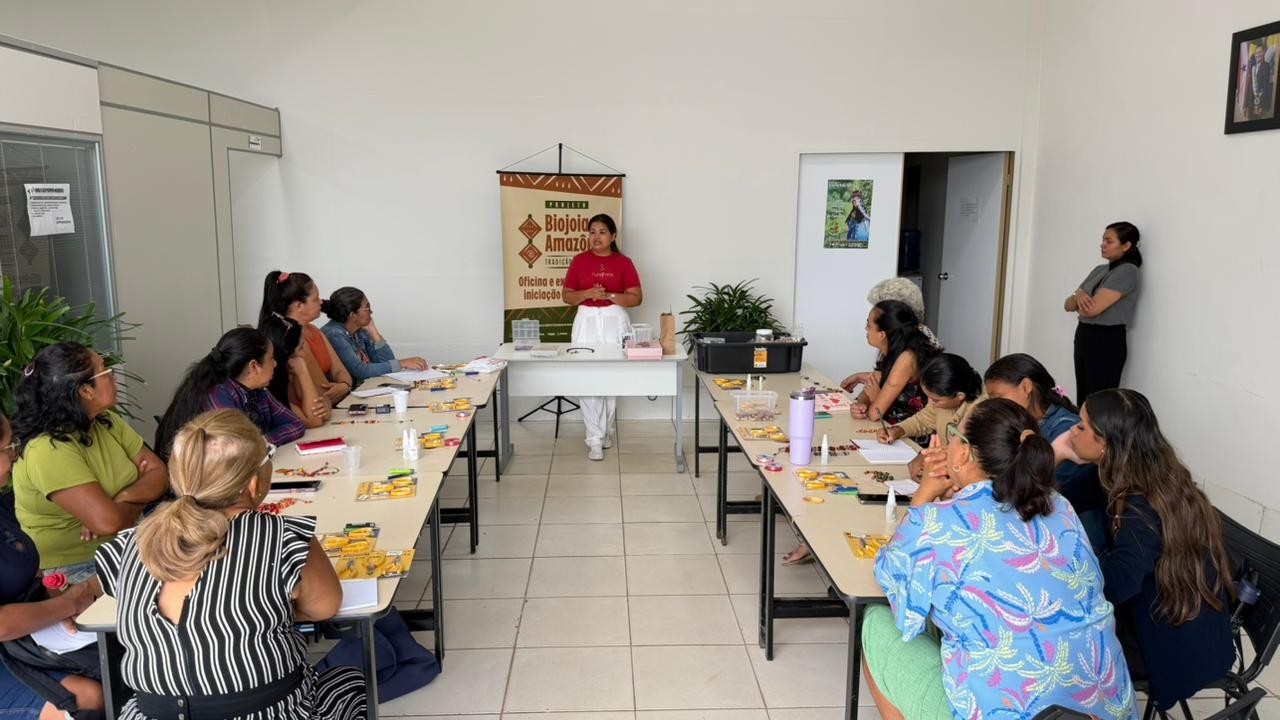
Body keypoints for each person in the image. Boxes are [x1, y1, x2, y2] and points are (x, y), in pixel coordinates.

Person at [863, 398, 1134, 720]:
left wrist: (924, 496)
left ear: (963, 453)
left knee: (876, 623)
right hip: (1103, 710)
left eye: (954, 435)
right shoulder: (1059, 506)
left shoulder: (935, 522)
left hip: (1005, 713)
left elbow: (889, 572)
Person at [94, 409, 366, 719]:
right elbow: (324, 607)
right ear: (252, 483)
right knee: (349, 683)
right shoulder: (282, 537)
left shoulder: (130, 544)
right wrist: (262, 611)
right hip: (267, 713)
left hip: (151, 714)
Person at [1054, 389, 1234, 711]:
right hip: (1174, 619)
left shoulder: (1142, 506)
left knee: (1058, 643)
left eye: (1081, 426)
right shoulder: (1136, 472)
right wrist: (1058, 455)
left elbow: (1117, 584)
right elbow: (1058, 503)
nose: (1072, 432)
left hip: (1171, 647)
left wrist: (1064, 579)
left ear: (1105, 443)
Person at [10, 342, 169, 582]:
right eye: (105, 370)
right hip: (79, 568)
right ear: (86, 391)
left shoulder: (106, 421)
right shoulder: (46, 449)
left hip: (130, 543)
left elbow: (160, 473)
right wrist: (141, 492)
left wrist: (122, 499)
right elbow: (108, 522)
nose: (114, 376)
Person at [0, 412, 105, 720]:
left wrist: (57, 594)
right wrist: (68, 604)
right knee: (89, 697)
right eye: (9, 448)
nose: (15, 456)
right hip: (10, 645)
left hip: (24, 638)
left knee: (117, 658)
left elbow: (25, 570)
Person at [983, 352, 1107, 549]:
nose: (993, 405)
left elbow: (1040, 491)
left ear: (1026, 387)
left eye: (997, 397)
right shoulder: (1024, 422)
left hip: (1076, 530)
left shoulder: (1069, 431)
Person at [561, 214, 642, 460]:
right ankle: (594, 438)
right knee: (587, 377)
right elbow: (567, 296)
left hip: (614, 320)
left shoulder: (624, 263)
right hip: (586, 320)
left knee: (611, 376)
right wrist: (587, 293)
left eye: (602, 232)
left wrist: (609, 296)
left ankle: (606, 431)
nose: (596, 237)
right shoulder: (579, 261)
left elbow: (636, 298)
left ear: (613, 236)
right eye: (592, 232)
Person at [154, 327, 305, 459]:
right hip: (201, 480)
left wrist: (263, 440)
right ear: (253, 366)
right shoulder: (217, 394)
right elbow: (238, 448)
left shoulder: (258, 391)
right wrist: (260, 443)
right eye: (271, 358)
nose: (275, 364)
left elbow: (296, 424)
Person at [1064, 221, 1141, 402]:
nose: (1103, 244)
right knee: (1083, 395)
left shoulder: (1128, 271)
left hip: (1106, 340)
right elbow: (1067, 305)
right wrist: (1078, 296)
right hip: (1084, 335)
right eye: (1103, 240)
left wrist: (1078, 296)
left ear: (1126, 245)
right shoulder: (1099, 270)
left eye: (1109, 241)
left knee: (1099, 400)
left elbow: (1092, 310)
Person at [877, 353, 982, 479]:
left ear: (960, 396)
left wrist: (926, 454)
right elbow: (923, 420)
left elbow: (967, 452)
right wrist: (897, 430)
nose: (930, 402)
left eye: (935, 400)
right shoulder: (942, 401)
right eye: (928, 397)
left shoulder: (982, 412)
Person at [259, 271, 353, 407]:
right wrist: (343, 388)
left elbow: (341, 372)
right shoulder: (296, 341)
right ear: (299, 306)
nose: (321, 302)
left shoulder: (314, 330)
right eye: (316, 299)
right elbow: (323, 393)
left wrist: (344, 386)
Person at [847, 300, 938, 425]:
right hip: (890, 425)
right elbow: (871, 386)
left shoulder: (907, 358)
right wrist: (860, 405)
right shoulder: (891, 349)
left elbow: (875, 414)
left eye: (869, 325)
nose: (866, 328)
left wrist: (875, 398)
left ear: (882, 335)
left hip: (911, 429)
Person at [320, 286, 428, 385]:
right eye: (367, 307)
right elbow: (361, 371)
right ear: (353, 316)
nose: (371, 312)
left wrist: (373, 331)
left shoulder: (359, 331)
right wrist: (401, 363)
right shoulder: (334, 334)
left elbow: (387, 362)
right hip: (348, 395)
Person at [261, 311, 330, 428]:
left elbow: (323, 399)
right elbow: (315, 420)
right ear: (286, 354)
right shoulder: (269, 387)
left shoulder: (292, 373)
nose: (305, 354)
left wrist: (326, 406)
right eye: (301, 347)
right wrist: (302, 371)